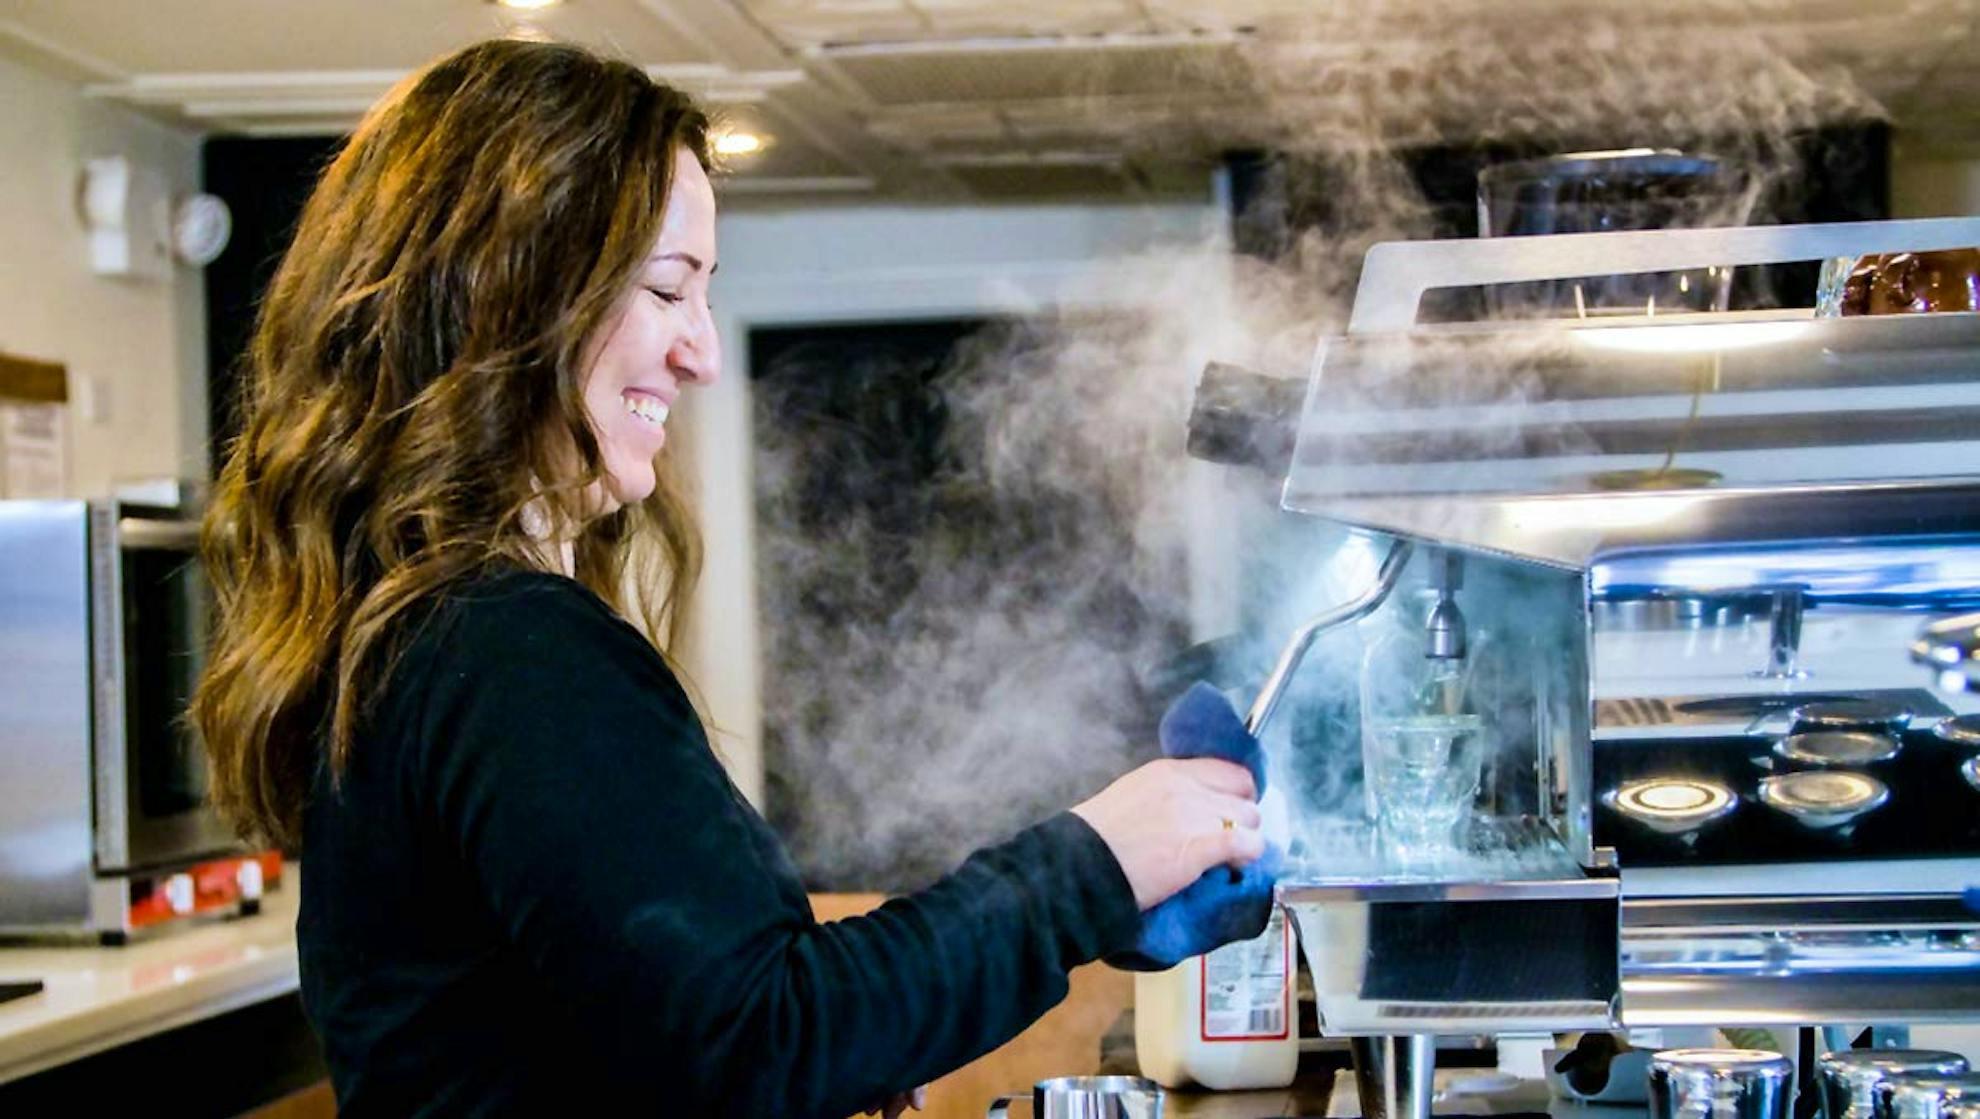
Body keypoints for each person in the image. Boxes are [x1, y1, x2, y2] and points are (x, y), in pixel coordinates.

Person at [193, 38, 1266, 1119]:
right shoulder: (505, 646)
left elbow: (695, 1019)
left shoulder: (434, 637)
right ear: (512, 299)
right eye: (669, 289)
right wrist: (1091, 869)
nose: (701, 352)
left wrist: (1086, 901)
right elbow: (764, 1036)